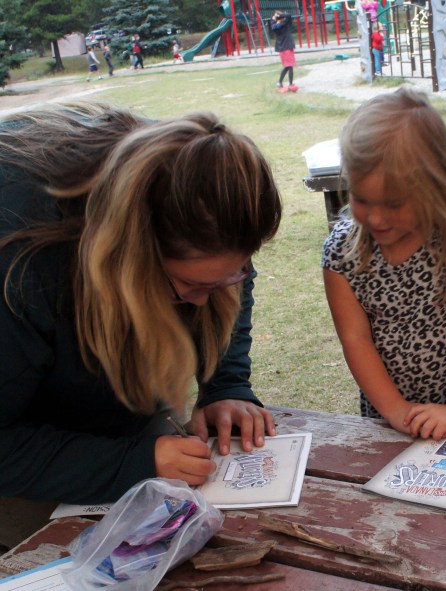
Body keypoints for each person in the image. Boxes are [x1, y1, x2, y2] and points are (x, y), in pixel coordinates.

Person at [0, 102, 282, 549]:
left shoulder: (192, 178)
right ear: (129, 255)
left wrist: (225, 384)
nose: (208, 297)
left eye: (234, 273)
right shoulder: (21, 265)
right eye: (191, 285)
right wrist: (131, 463)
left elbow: (224, 276)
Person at [322, 87, 446, 440]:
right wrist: (397, 411)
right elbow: (355, 339)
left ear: (435, 187)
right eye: (362, 199)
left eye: (394, 204)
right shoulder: (342, 253)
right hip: (391, 416)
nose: (377, 218)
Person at [271, 11, 298, 93]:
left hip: (285, 47)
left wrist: (279, 16)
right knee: (289, 66)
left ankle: (280, 82)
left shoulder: (282, 24)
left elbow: (289, 15)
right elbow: (276, 26)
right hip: (285, 47)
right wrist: (277, 18)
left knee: (288, 66)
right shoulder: (278, 25)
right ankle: (290, 83)